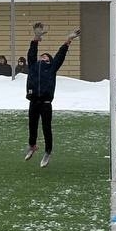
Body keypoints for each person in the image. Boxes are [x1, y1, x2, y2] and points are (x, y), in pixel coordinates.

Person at [24, 23, 78, 168]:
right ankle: (32, 146)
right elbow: (31, 53)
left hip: (46, 103)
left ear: (50, 61)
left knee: (46, 128)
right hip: (33, 101)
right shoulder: (33, 66)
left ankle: (48, 152)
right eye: (42, 56)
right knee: (32, 126)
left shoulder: (52, 67)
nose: (43, 57)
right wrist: (36, 38)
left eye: (46, 57)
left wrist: (68, 40)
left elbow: (60, 55)